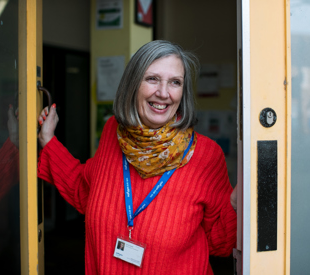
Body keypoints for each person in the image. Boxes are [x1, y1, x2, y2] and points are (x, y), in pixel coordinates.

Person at [37, 40, 238, 275]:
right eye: (152, 79)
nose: (163, 93)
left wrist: (236, 204)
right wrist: (48, 141)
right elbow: (86, 191)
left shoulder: (207, 155)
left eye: (175, 82)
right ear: (133, 84)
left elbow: (220, 243)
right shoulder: (113, 131)